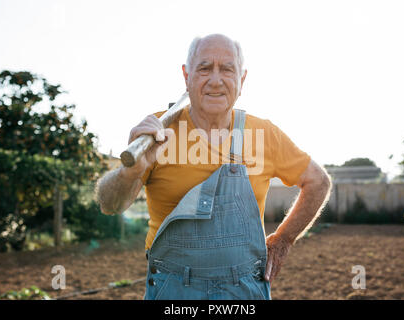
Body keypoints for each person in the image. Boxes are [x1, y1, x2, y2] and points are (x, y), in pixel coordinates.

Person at [96, 34, 332, 300]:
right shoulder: (158, 132)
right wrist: (129, 172)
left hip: (244, 291)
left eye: (227, 69)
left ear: (241, 80)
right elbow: (110, 204)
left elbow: (319, 182)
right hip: (173, 290)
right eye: (205, 68)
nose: (216, 80)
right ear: (187, 76)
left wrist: (283, 240)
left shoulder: (264, 134)